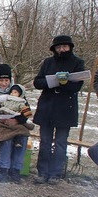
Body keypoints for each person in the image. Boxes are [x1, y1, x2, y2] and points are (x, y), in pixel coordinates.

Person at [32, 35, 85, 185]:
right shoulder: (48, 62)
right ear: (54, 49)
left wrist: (64, 83)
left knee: (61, 143)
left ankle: (56, 173)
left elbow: (77, 86)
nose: (61, 49)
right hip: (47, 106)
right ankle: (43, 172)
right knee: (45, 141)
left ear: (70, 47)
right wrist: (52, 82)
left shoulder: (77, 63)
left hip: (65, 108)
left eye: (64, 47)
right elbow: (37, 82)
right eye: (59, 47)